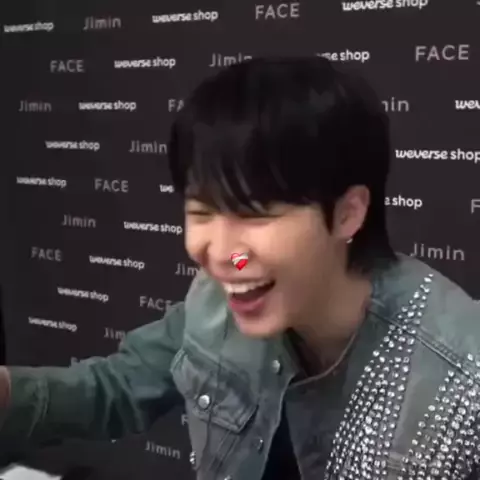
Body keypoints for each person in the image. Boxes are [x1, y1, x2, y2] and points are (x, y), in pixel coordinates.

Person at [1, 56, 480, 480]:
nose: (222, 254)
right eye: (201, 212)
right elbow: (122, 386)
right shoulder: (215, 299)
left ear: (347, 213)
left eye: (253, 214)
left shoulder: (461, 380)